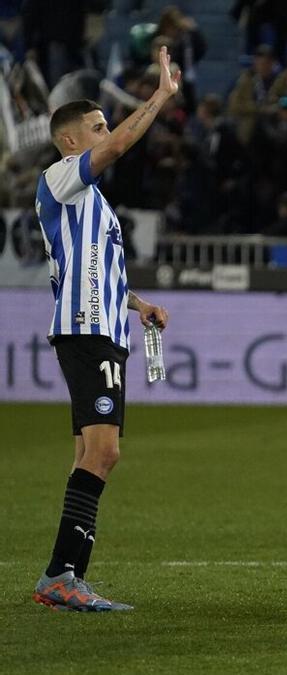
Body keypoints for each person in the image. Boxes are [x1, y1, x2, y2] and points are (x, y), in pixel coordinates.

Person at [31, 46, 178, 612]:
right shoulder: (61, 179)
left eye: (105, 125)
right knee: (104, 451)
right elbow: (118, 146)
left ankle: (64, 575)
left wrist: (138, 304)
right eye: (95, 127)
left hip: (105, 329)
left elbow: (97, 271)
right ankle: (62, 575)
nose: (107, 133)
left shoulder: (92, 203)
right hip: (86, 333)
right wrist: (161, 96)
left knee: (90, 453)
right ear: (70, 141)